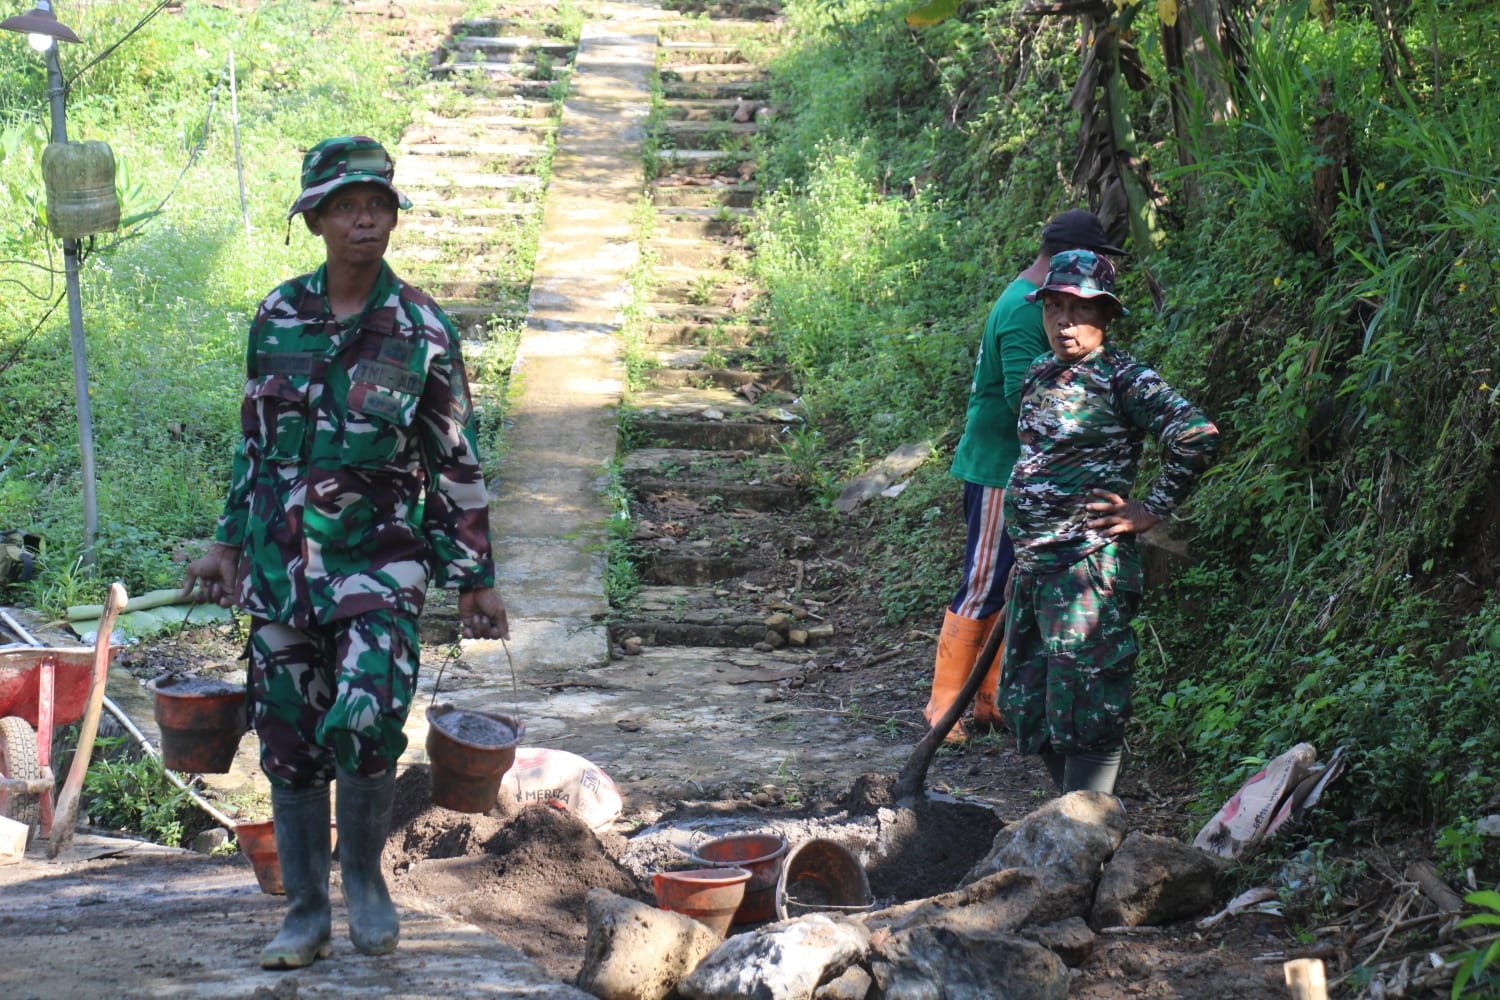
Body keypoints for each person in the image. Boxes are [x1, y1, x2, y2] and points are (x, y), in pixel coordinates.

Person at [181, 136, 509, 970]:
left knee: (366, 716)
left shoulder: (422, 326)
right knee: (287, 736)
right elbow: (252, 446)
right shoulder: (278, 314)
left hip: (381, 562)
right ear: (317, 220)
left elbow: (453, 456)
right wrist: (224, 543)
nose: (366, 221)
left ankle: (364, 880)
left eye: (379, 206)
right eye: (347, 208)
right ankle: (303, 912)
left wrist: (474, 577)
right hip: (279, 565)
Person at [1000, 249, 1218, 795]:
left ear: (1106, 315)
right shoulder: (1038, 374)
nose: (1063, 322)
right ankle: (1071, 814)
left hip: (1086, 569)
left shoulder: (1125, 379)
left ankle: (1090, 826)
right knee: (1027, 701)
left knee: (1088, 706)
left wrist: (1149, 509)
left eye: (1078, 309)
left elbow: (1196, 435)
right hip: (1034, 568)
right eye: (1053, 307)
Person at [923, 210, 1124, 743]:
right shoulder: (1021, 309)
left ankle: (988, 701)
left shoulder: (1032, 302)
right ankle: (943, 708)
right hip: (998, 467)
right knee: (984, 581)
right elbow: (1020, 395)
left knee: (1011, 584)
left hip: (1025, 467)